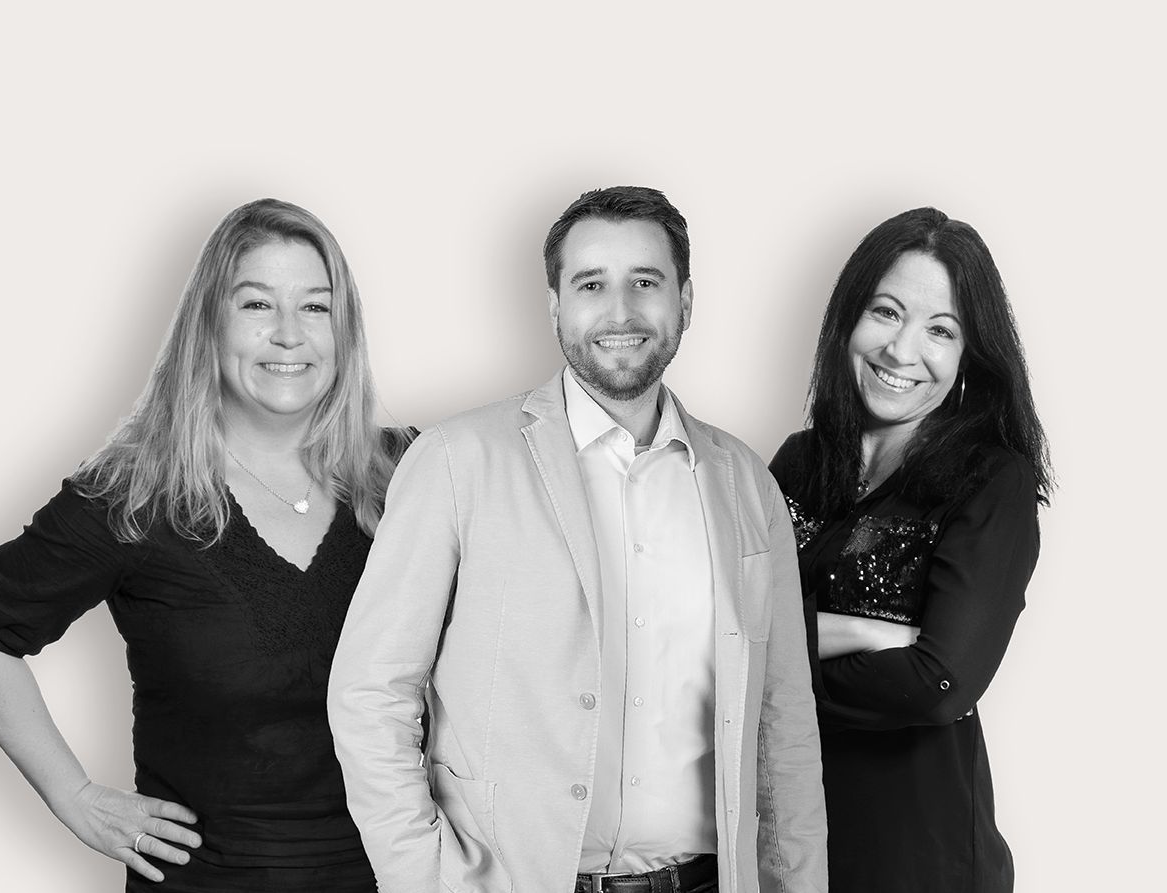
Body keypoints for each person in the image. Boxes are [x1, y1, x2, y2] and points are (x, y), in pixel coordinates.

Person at [330, 186, 827, 893]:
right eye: (591, 284)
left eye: (645, 282)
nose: (620, 311)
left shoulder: (747, 483)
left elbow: (784, 724)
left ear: (686, 301)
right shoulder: (455, 461)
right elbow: (370, 691)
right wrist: (422, 876)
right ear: (555, 306)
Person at [0, 199, 406, 892]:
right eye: (257, 304)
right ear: (209, 323)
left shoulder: (411, 477)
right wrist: (74, 797)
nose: (289, 334)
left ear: (345, 330)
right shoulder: (133, 495)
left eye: (316, 306)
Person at [770, 208, 1049, 893]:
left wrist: (773, 668)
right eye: (886, 312)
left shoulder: (992, 480)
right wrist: (863, 633)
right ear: (849, 318)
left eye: (940, 330)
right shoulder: (797, 463)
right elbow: (720, 629)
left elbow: (938, 684)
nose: (901, 350)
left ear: (968, 356)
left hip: (918, 858)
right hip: (786, 844)